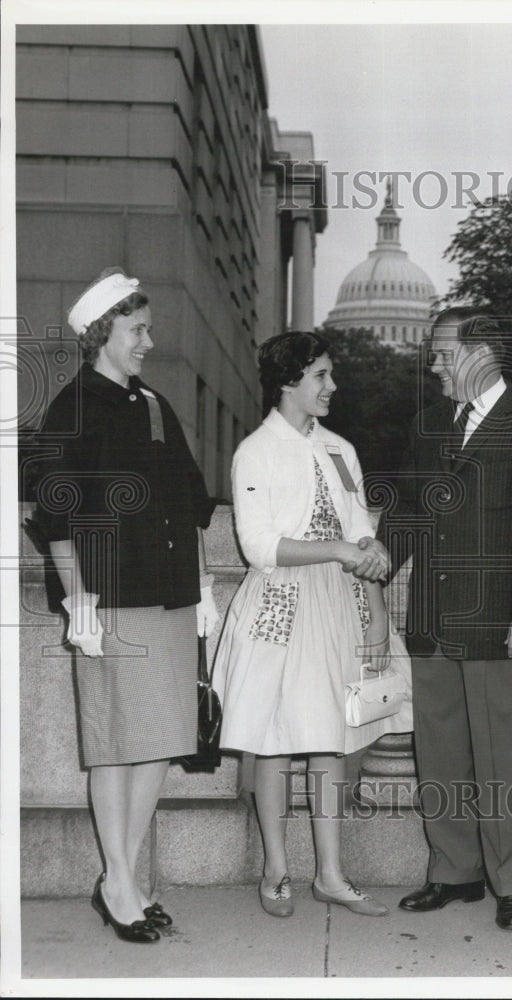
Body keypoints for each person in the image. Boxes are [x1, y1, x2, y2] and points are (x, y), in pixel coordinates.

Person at [31, 269, 218, 943]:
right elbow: (54, 513)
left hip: (169, 597)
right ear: (102, 332)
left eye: (149, 329)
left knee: (158, 744)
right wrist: (77, 597)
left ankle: (124, 877)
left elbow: (190, 504)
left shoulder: (155, 404)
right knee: (115, 746)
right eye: (137, 330)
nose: (148, 341)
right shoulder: (73, 408)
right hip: (110, 599)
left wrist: (204, 589)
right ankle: (118, 882)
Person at [383, 307, 512, 931]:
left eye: (443, 353)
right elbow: (408, 511)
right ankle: (454, 872)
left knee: (506, 756)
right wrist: (373, 563)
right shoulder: (428, 424)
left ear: (482, 353)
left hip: (503, 621)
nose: (433, 365)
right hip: (434, 619)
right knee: (439, 752)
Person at [212, 330, 411, 920]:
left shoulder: (340, 449)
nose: (332, 386)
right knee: (274, 740)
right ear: (288, 381)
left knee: (331, 739)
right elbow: (257, 546)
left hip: (339, 605)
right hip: (280, 607)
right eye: (320, 375)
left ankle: (330, 874)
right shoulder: (255, 452)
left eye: (330, 374)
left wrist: (376, 599)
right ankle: (276, 870)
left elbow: (359, 529)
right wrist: (340, 551)